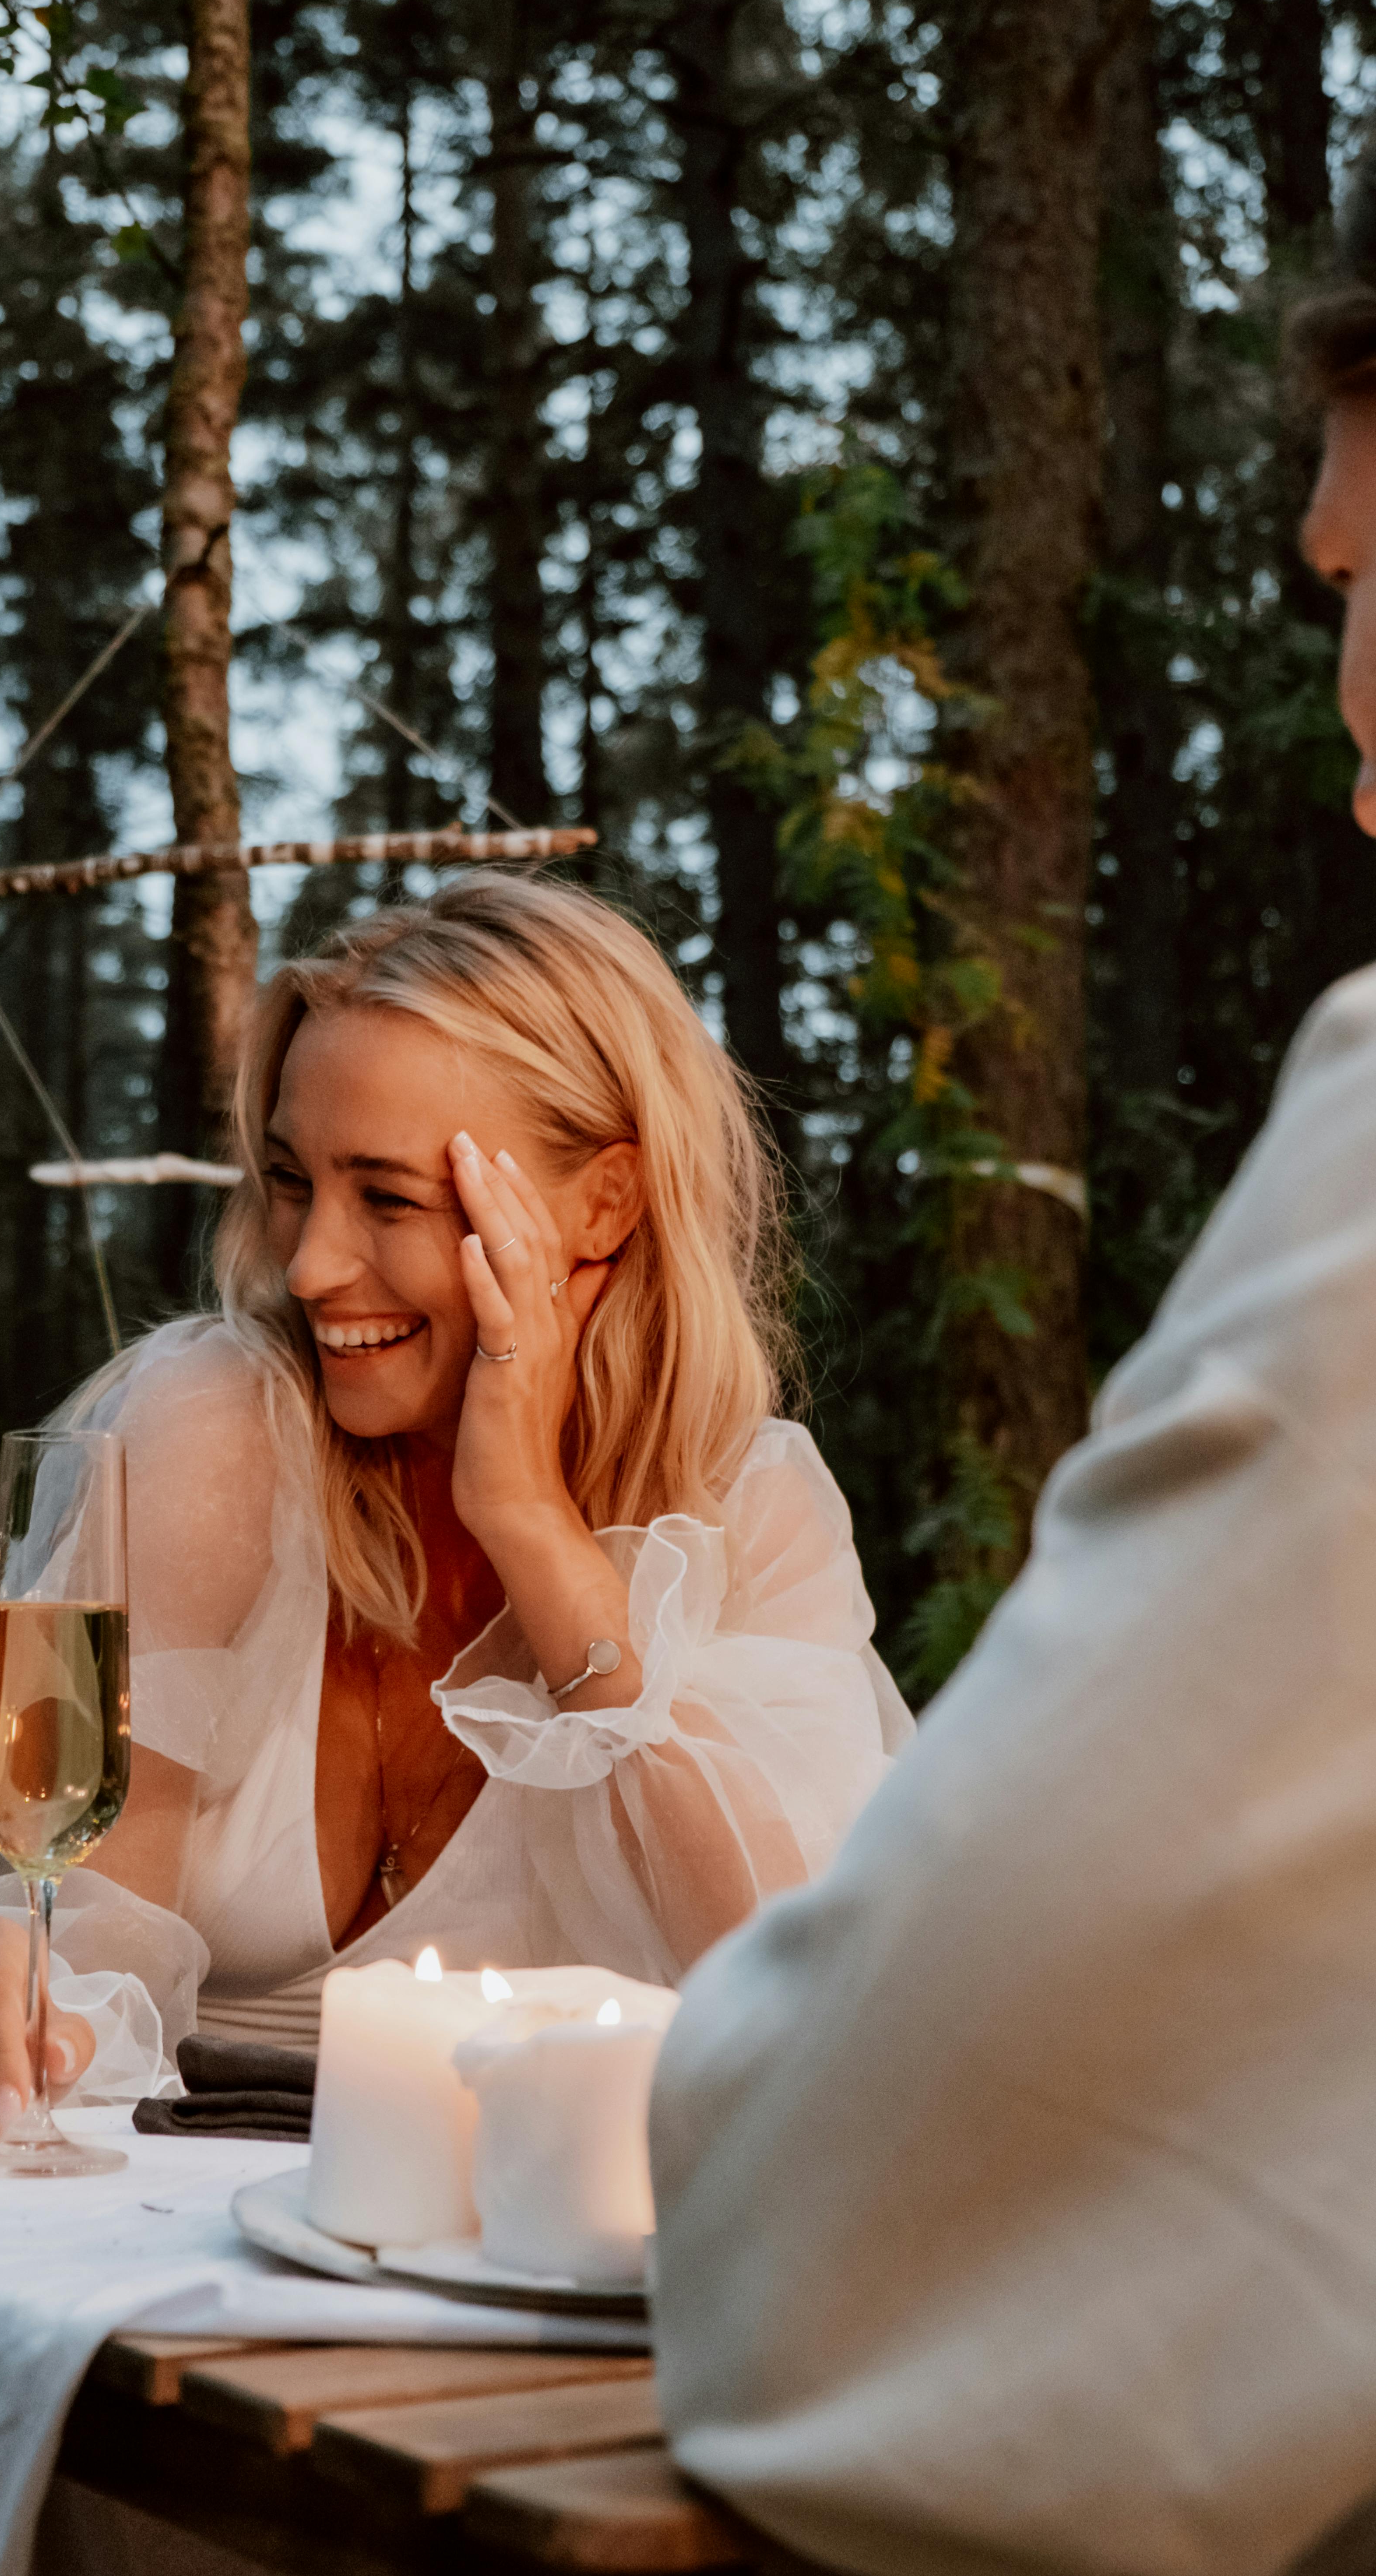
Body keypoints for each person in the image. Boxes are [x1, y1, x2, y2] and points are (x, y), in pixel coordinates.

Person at [650, 180, 1376, 2575]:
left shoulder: (743, 1490)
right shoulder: (189, 1458)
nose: (1357, 769)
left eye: (1359, 589)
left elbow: (870, 2226)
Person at [0, 875, 909, 2154]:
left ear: (603, 1203)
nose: (307, 1267)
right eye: (292, 1180)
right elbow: (95, 1931)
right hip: (177, 2243)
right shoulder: (216, 1434)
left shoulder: (753, 1507)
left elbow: (807, 2010)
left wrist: (528, 1517)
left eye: (390, 1199)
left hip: (538, 2272)